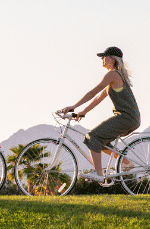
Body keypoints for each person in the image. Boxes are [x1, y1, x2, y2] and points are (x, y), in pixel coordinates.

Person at [59, 46, 140, 182]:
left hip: (126, 118)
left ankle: (98, 174)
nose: (102, 59)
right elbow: (98, 98)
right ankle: (126, 162)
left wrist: (73, 106)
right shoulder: (115, 76)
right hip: (130, 118)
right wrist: (83, 112)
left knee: (92, 137)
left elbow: (93, 92)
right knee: (99, 141)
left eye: (104, 56)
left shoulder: (112, 74)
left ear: (112, 59)